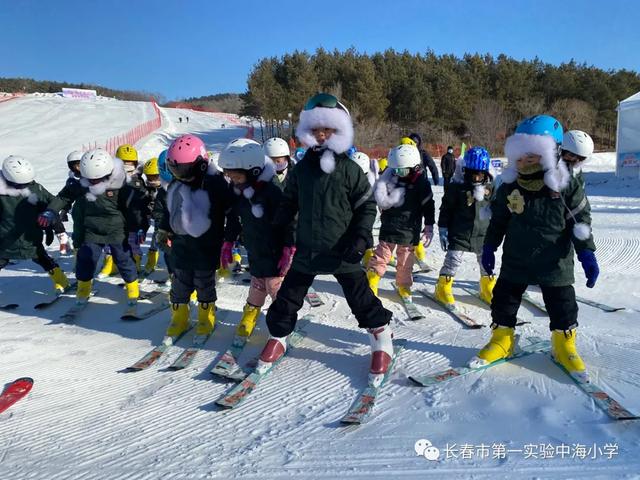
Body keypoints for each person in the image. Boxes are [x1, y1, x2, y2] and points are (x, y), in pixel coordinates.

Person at [258, 93, 393, 386]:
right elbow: (289, 201)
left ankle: (381, 338)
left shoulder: (349, 170)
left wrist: (360, 236)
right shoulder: (302, 169)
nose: (321, 135)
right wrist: (278, 226)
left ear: (339, 131)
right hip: (307, 248)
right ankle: (278, 335)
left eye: (328, 129)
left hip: (342, 249)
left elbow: (366, 205)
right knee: (288, 298)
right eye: (316, 129)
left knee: (361, 298)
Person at [470, 115, 598, 382]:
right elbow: (499, 219)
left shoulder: (565, 183)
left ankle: (564, 343)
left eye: (531, 155)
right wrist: (490, 246)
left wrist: (586, 252)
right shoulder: (509, 184)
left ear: (550, 153)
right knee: (504, 298)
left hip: (554, 259)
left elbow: (580, 220)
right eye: (519, 154)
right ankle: (502, 338)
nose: (523, 161)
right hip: (516, 256)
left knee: (562, 302)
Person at [39, 149, 141, 307]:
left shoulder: (120, 184)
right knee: (86, 258)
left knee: (123, 259)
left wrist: (136, 227)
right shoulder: (81, 183)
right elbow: (64, 197)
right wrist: (51, 210)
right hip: (92, 229)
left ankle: (133, 287)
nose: (93, 182)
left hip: (116, 229)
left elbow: (133, 208)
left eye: (97, 179)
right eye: (90, 179)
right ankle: (83, 288)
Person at [157, 134, 234, 343]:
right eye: (175, 170)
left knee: (203, 282)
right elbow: (168, 211)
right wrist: (164, 230)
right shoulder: (175, 185)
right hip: (181, 245)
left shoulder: (216, 183)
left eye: (184, 170)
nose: (180, 175)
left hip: (207, 245)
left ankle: (205, 316)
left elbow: (231, 211)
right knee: (180, 281)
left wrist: (230, 238)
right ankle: (179, 317)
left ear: (200, 165)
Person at [219, 138, 295, 338]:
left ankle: (282, 324)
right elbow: (233, 219)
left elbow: (290, 221)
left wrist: (289, 248)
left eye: (236, 177)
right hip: (255, 249)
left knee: (275, 287)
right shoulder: (238, 191)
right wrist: (228, 241)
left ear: (252, 171)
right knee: (257, 285)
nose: (233, 181)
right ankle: (250, 315)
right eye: (230, 177)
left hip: (275, 251)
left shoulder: (272, 192)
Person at [366, 144, 435, 299]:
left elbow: (428, 205)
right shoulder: (389, 178)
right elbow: (379, 197)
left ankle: (404, 285)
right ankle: (372, 279)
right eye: (396, 170)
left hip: (410, 230)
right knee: (381, 256)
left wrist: (429, 226)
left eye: (402, 171)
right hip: (389, 226)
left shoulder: (421, 183)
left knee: (405, 261)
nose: (399, 174)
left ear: (414, 167)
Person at [0, 155, 70, 294]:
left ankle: (62, 281)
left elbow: (52, 204)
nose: (25, 186)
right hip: (4, 239)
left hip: (30, 237)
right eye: (21, 184)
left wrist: (56, 225)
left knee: (42, 258)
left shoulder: (35, 188)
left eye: (27, 182)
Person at [435, 146, 495, 305]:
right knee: (452, 261)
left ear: (486, 173)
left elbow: (498, 209)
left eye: (480, 174)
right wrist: (442, 228)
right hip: (460, 233)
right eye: (472, 174)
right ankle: (443, 288)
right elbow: (445, 209)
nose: (476, 178)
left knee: (486, 262)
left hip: (483, 235)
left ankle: (487, 287)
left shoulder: (491, 188)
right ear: (465, 171)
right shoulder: (456, 188)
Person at [141, 157, 161, 275]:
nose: (152, 181)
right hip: (156, 217)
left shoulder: (167, 186)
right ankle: (152, 259)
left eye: (154, 177)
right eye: (149, 177)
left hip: (169, 219)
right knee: (155, 238)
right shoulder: (148, 189)